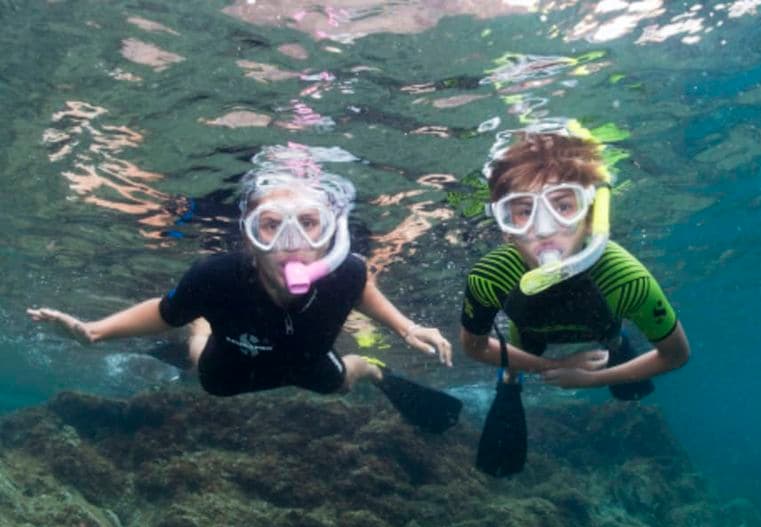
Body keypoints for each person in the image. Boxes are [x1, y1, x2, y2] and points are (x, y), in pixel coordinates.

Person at [28, 158, 452, 399]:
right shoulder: (215, 277)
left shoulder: (349, 270)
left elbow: (362, 291)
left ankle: (372, 370)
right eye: (271, 225)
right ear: (249, 237)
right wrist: (95, 332)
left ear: (330, 235)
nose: (291, 243)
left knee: (339, 384)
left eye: (309, 223)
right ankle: (203, 325)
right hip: (231, 367)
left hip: (308, 362)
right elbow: (165, 313)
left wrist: (406, 327)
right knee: (203, 369)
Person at [460, 125, 689, 398]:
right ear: (505, 227)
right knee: (515, 363)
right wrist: (553, 366)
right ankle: (511, 377)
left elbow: (676, 355)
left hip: (602, 328)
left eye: (563, 206)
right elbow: (474, 346)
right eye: (524, 211)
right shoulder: (489, 278)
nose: (544, 229)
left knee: (612, 340)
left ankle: (614, 345)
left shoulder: (627, 280)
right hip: (528, 335)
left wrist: (593, 379)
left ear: (589, 218)